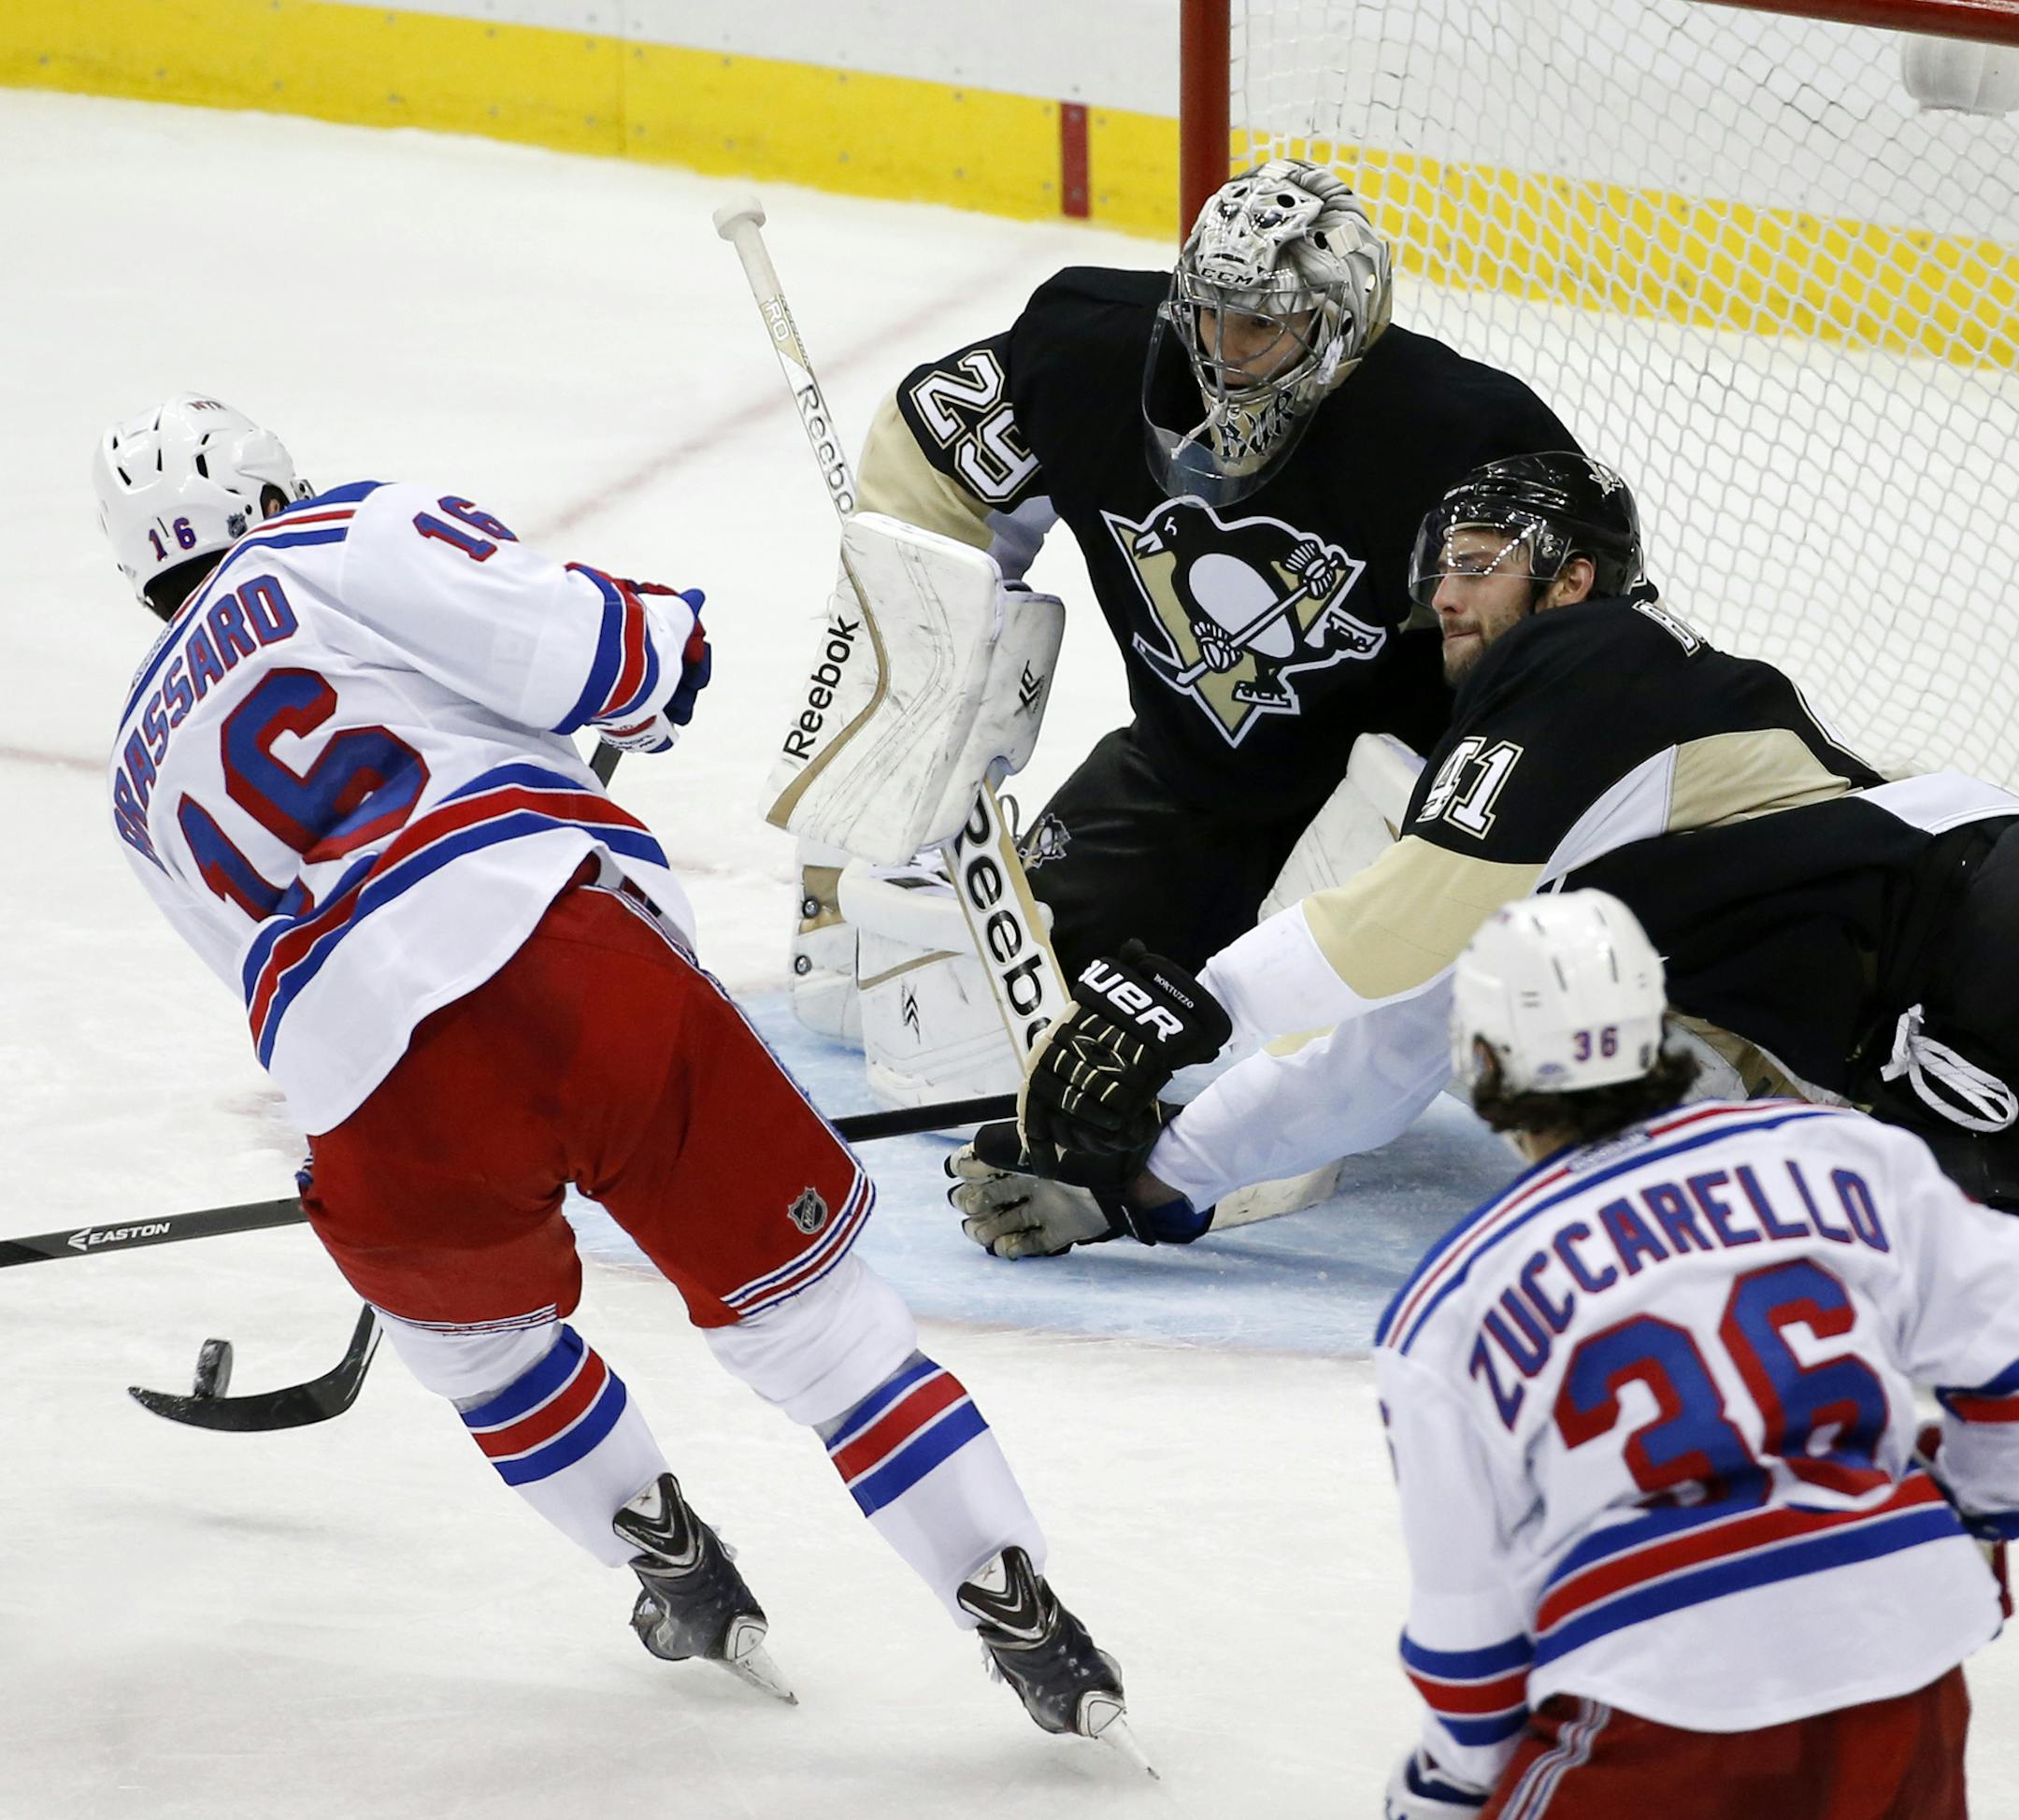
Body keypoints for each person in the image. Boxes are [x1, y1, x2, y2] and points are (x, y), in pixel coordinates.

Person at [93, 393, 1143, 1761]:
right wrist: (666, 646)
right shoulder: (340, 532)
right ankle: (1016, 1602)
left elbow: (270, 982)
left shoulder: (129, 767)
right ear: (269, 486)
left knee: (473, 1344)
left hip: (365, 1084)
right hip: (568, 960)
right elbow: (605, 652)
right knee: (816, 1328)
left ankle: (671, 1562)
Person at [951, 451, 2019, 1260]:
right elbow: (1384, 1050)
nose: (1444, 599)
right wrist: (1139, 1188)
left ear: (1570, 581)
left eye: (1475, 567)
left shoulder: (1591, 655)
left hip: (1983, 924)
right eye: (1439, 571)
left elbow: (1402, 923)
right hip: (1945, 1057)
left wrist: (1185, 1007)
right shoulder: (1558, 837)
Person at [787, 157, 1578, 1103]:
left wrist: (1461, 846)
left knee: (1318, 1069)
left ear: (1341, 327)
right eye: (1208, 312)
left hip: (1385, 810)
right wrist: (911, 724)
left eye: (1261, 324)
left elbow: (1570, 660)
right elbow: (927, 464)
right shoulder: (1092, 356)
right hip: (1183, 776)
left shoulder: (1457, 436)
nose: (1224, 350)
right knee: (996, 1034)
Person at [1376, 889, 2016, 1819]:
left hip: (1662, 1689)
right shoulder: (1841, 1153)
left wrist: (1446, 1787)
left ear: (1480, 1060)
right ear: (1659, 1021)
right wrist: (1982, 1528)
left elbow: (1468, 1626)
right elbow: (2005, 1365)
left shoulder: (1450, 1304)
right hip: (1903, 1645)